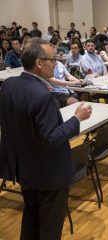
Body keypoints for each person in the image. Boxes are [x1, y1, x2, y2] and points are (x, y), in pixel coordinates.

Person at [0, 38, 92, 240]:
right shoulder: (42, 96)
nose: (57, 63)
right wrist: (76, 118)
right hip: (49, 173)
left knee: (31, 221)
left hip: (25, 169)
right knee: (50, 229)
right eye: (52, 59)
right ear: (39, 63)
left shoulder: (9, 85)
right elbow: (51, 137)